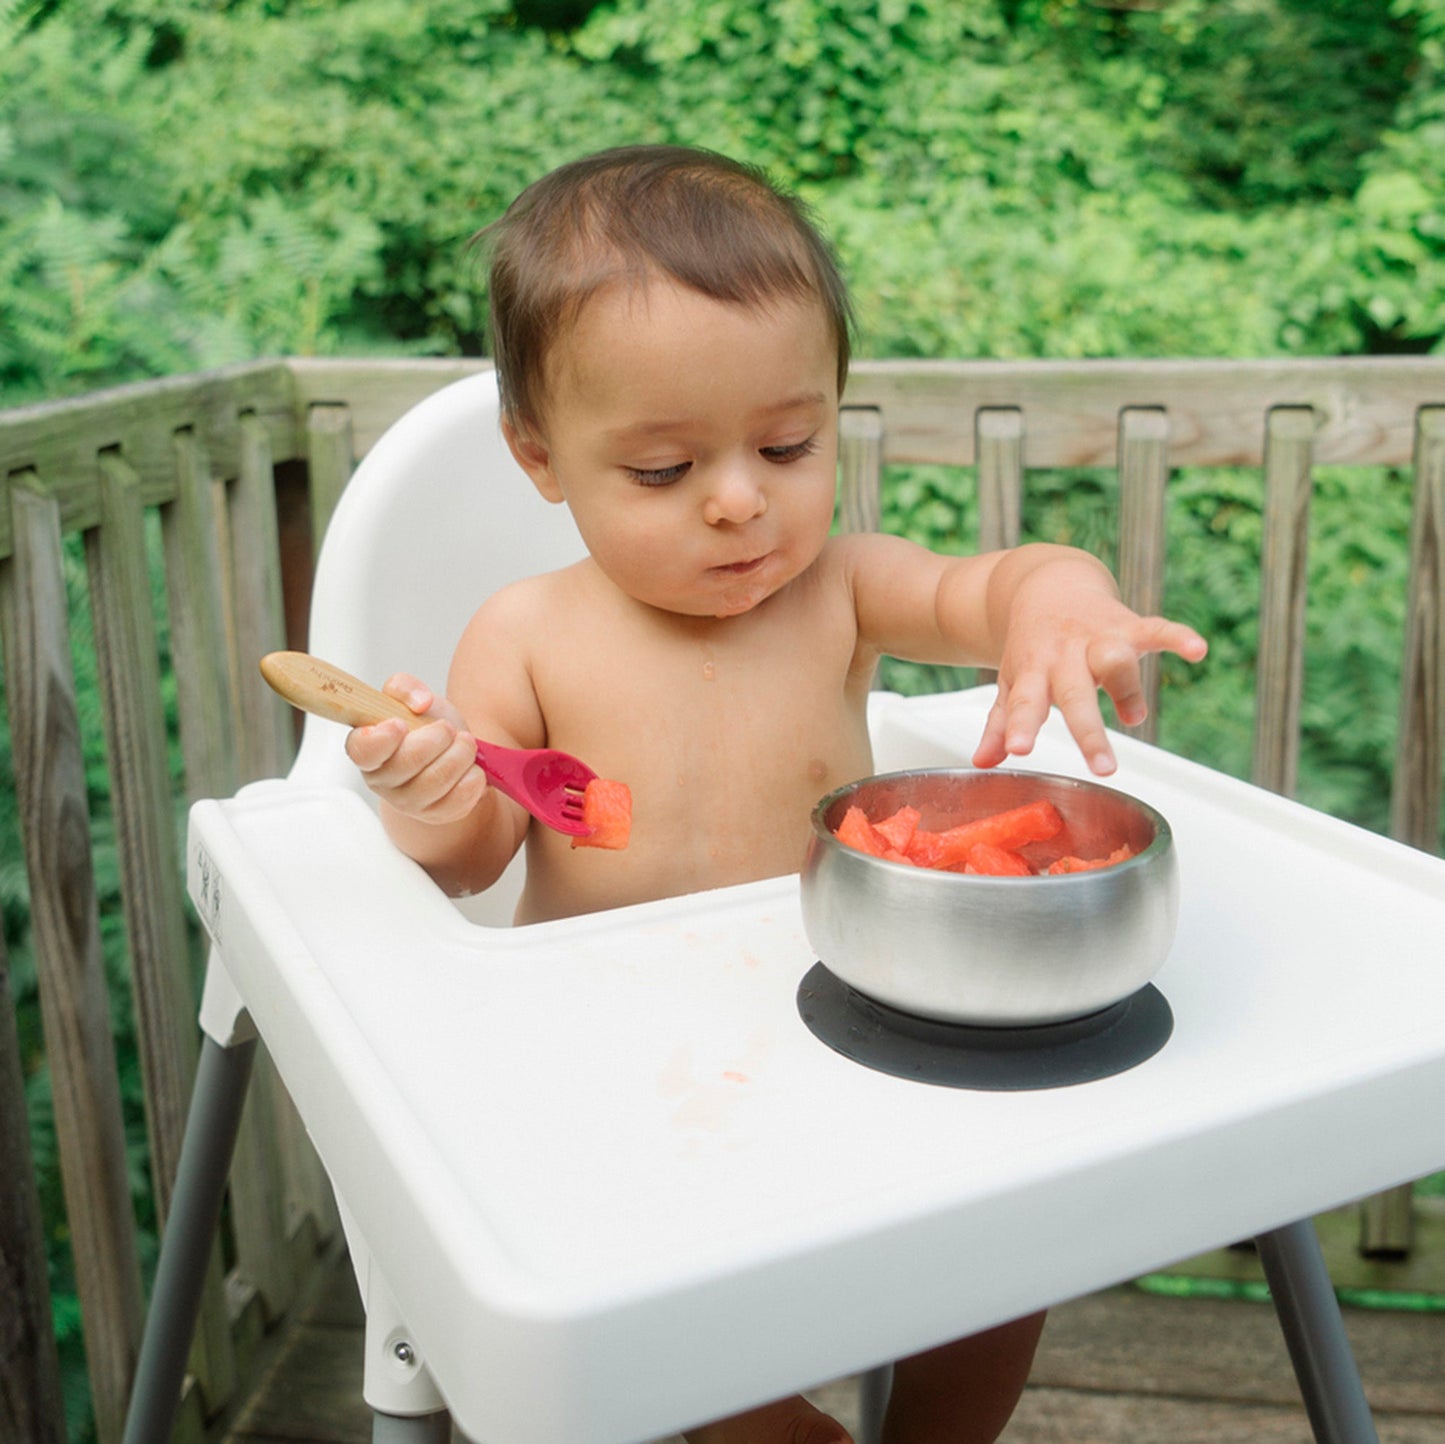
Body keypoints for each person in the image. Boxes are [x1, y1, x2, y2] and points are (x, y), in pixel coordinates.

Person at [344, 145, 1208, 1443]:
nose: (740, 501)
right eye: (660, 472)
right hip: (623, 1077)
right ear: (539, 458)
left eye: (787, 443)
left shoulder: (843, 588)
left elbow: (986, 586)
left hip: (841, 1030)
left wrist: (1055, 604)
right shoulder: (522, 636)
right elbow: (474, 858)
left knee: (1001, 1264)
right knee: (671, 1329)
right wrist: (427, 796)